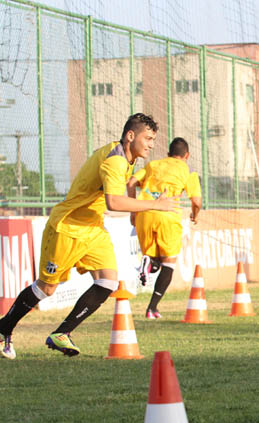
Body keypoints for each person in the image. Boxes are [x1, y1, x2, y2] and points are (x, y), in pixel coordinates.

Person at [0, 113, 178, 359]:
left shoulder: (127, 158)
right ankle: (3, 329)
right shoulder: (114, 161)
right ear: (130, 136)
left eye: (153, 139)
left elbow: (119, 193)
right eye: (147, 138)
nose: (151, 144)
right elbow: (113, 202)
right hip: (68, 227)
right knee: (46, 289)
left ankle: (62, 333)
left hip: (93, 228)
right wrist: (155, 205)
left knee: (108, 281)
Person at [127, 137, 202, 319]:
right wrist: (195, 214)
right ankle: (152, 308)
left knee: (153, 261)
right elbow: (196, 201)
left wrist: (132, 210)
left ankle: (148, 262)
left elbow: (130, 182)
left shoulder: (153, 164)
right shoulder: (188, 170)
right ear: (187, 155)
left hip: (145, 212)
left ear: (168, 154)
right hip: (168, 214)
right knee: (168, 263)